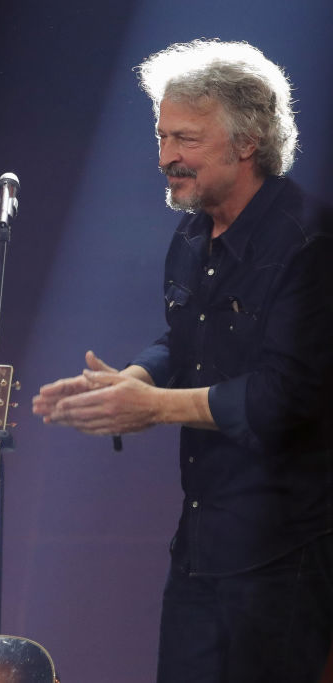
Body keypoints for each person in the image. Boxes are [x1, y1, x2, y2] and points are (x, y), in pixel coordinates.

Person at [32, 40, 333, 682]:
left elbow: (283, 397)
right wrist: (134, 379)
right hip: (200, 544)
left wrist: (153, 408)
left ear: (247, 142)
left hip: (283, 552)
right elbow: (186, 335)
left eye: (186, 139)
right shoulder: (194, 231)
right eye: (162, 137)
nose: (166, 157)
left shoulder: (310, 241)